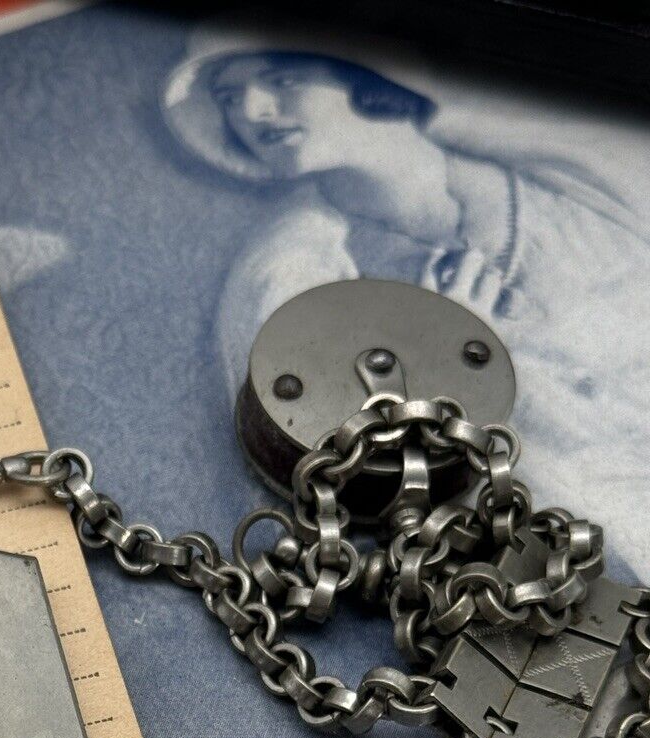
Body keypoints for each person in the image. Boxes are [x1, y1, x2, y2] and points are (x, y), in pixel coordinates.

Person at [163, 46, 650, 550]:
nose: (251, 110)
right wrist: (465, 372)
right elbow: (330, 468)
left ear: (363, 75)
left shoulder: (574, 180)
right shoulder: (290, 277)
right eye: (228, 97)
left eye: (282, 79)